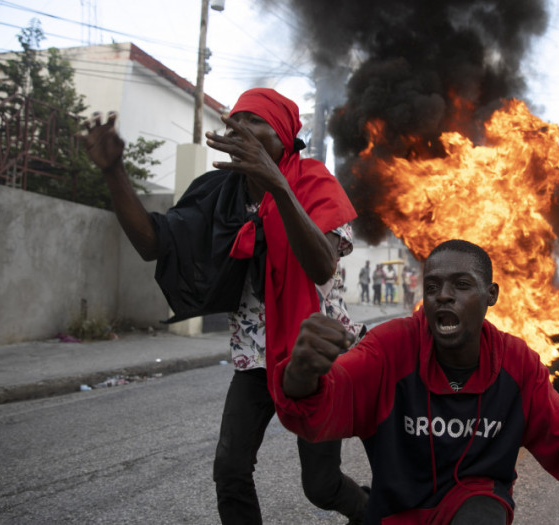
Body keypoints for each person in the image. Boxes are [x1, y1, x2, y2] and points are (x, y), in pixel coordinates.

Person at [76, 88, 368, 524]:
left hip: (315, 357)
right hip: (255, 360)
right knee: (230, 470)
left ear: (284, 136)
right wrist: (115, 171)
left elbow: (322, 265)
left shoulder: (313, 181)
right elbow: (152, 243)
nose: (240, 128)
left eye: (255, 121)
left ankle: (372, 512)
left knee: (321, 486)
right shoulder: (219, 192)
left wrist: (278, 187)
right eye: (236, 120)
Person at [275, 240, 559, 523]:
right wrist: (302, 372)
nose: (443, 295)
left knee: (480, 508)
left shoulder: (517, 362)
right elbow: (320, 406)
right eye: (432, 287)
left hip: (478, 504)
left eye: (461, 285)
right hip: (397, 513)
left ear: (491, 296)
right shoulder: (390, 348)